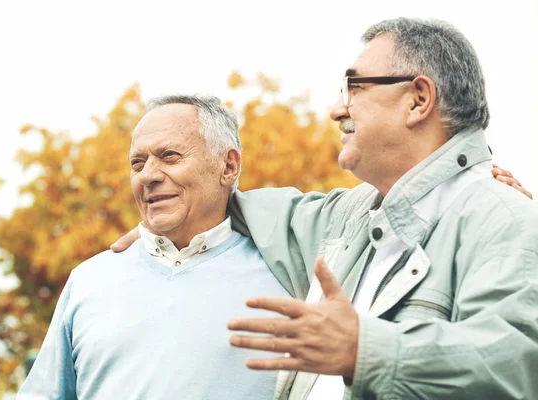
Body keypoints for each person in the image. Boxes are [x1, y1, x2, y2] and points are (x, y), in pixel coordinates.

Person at [111, 18, 538, 400]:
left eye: (354, 87)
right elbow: (252, 207)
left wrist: (364, 351)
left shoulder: (504, 219)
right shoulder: (349, 217)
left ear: (418, 99)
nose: (337, 109)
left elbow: (516, 365)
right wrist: (175, 213)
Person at [17, 95, 291, 399]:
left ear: (228, 165)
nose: (147, 175)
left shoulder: (286, 273)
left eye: (169, 156)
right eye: (138, 163)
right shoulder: (88, 282)